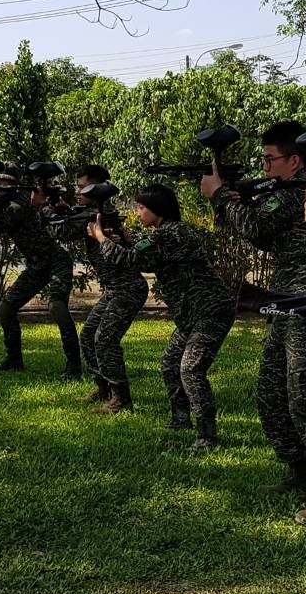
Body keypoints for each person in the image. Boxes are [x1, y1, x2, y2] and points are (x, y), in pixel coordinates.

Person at [202, 120, 306, 524]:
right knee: (271, 391)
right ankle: (300, 471)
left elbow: (255, 227)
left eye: (271, 160)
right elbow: (271, 236)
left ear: (296, 160)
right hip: (290, 299)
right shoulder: (284, 192)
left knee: (305, 394)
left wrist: (220, 195)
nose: (265, 168)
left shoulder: (296, 190)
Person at [91, 184, 234, 449]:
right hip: (192, 314)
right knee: (170, 363)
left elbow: (129, 260)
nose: (138, 212)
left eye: (142, 207)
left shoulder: (169, 234)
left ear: (157, 210)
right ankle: (181, 419)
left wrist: (100, 237)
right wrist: (125, 238)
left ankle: (207, 436)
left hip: (210, 311)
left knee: (190, 369)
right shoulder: (165, 234)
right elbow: (147, 257)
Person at [0, 168, 83, 376]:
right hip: (37, 266)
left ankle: (74, 365)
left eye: (1, 182)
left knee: (57, 307)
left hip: (56, 261)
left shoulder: (18, 204)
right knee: (6, 308)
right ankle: (14, 360)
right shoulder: (1, 203)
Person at [63, 165, 148, 413]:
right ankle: (105, 390)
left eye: (82, 187)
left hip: (127, 289)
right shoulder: (94, 212)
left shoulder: (100, 216)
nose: (77, 192)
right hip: (115, 289)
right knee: (89, 336)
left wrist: (45, 208)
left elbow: (62, 230)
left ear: (96, 189)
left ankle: (121, 399)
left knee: (105, 340)